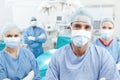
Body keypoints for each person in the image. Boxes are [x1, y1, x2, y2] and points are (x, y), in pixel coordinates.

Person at [45, 8, 120, 80]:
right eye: (77, 26)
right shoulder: (58, 57)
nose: (81, 30)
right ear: (70, 28)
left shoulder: (103, 57)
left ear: (91, 30)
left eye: (87, 27)